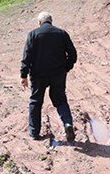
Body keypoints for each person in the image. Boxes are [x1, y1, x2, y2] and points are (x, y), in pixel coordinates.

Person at [21, 11, 77, 142]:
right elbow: (73, 54)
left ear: (39, 22)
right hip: (58, 74)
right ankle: (68, 123)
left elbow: (27, 55)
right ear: (51, 21)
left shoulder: (33, 34)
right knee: (60, 100)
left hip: (38, 74)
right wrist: (66, 68)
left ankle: (34, 133)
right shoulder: (61, 33)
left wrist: (24, 74)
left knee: (36, 101)